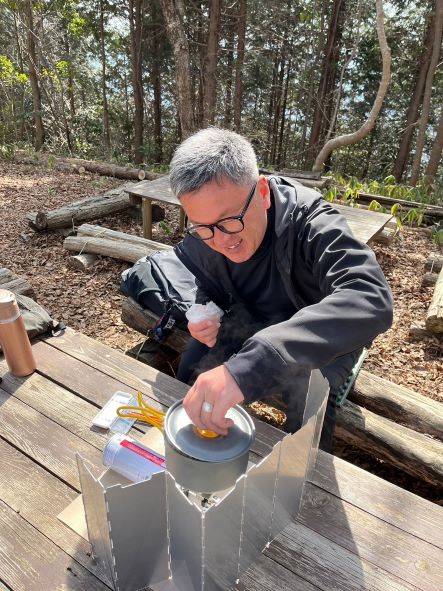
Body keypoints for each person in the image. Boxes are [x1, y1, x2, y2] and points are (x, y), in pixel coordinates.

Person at [170, 127, 393, 449]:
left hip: (319, 334)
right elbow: (210, 283)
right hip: (253, 319)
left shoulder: (311, 222)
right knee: (192, 362)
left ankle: (304, 480)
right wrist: (206, 311)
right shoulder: (208, 232)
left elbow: (369, 297)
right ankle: (194, 448)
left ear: (262, 192)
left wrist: (253, 362)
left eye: (230, 221)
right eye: (204, 228)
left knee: (310, 398)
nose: (222, 241)